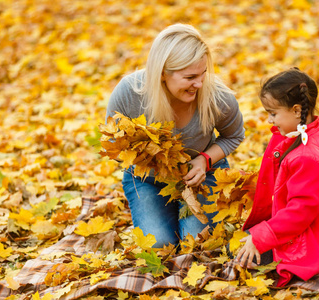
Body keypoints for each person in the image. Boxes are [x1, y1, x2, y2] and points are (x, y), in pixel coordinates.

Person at [105, 24, 245, 248]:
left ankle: (184, 215)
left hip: (203, 175)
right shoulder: (130, 92)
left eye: (203, 74)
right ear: (162, 73)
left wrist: (204, 160)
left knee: (199, 243)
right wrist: (150, 161)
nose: (199, 84)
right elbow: (113, 143)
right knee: (159, 245)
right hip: (148, 181)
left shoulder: (217, 96)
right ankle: (162, 209)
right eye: (190, 77)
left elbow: (234, 135)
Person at [236, 68, 319, 286]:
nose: (270, 120)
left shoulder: (305, 156)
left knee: (242, 255)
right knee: (244, 242)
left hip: (317, 237)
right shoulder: (308, 132)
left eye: (273, 113)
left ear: (296, 110)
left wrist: (262, 236)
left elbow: (301, 210)